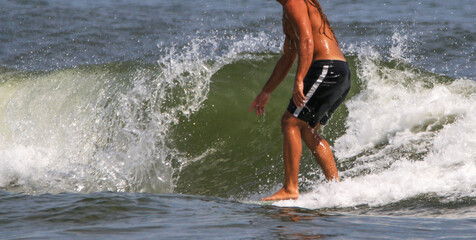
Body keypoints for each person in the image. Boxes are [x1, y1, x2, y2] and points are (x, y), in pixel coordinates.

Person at [249, 0, 351, 201]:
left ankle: (290, 188)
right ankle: (335, 188)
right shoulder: (291, 8)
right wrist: (266, 91)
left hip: (326, 68)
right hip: (339, 71)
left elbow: (306, 41)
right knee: (308, 130)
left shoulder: (293, 2)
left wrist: (299, 80)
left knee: (290, 122)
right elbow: (289, 56)